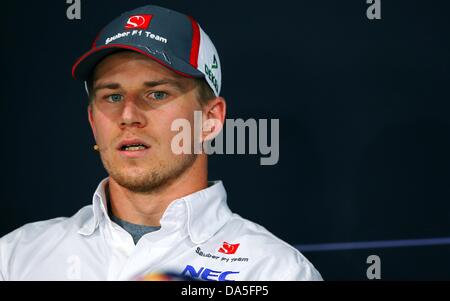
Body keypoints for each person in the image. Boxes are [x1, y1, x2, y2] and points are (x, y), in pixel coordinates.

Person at [0, 5, 322, 281]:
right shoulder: (16, 257)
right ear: (92, 122)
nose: (128, 115)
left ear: (210, 119)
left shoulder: (272, 271)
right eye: (112, 96)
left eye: (156, 94)